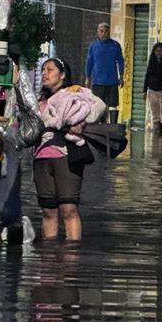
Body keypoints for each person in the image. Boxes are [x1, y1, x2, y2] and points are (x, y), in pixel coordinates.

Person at [34, 58, 105, 242]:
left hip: (65, 156)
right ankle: (49, 258)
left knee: (68, 209)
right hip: (41, 156)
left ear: (62, 75)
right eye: (43, 70)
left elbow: (99, 106)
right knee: (48, 210)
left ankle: (71, 260)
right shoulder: (38, 99)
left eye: (50, 70)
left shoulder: (74, 92)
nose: (44, 73)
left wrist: (81, 122)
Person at [84, 22, 124, 122]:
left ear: (109, 32)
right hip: (98, 82)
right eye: (101, 31)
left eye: (106, 31)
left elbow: (120, 61)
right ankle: (102, 126)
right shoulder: (93, 46)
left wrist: (121, 76)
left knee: (113, 105)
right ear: (98, 32)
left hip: (112, 81)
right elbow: (89, 62)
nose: (104, 33)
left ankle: (113, 125)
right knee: (99, 105)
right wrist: (87, 77)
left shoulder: (115, 45)